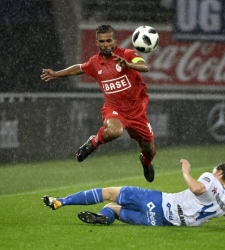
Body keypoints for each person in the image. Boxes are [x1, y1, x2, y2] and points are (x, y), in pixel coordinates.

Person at [41, 24, 156, 182]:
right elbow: (79, 68)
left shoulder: (128, 54)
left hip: (137, 112)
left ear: (115, 41)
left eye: (109, 40)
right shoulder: (95, 62)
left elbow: (144, 66)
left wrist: (129, 65)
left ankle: (146, 162)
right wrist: (56, 74)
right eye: (102, 41)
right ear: (96, 43)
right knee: (115, 131)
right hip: (114, 109)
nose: (106, 44)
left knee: (149, 149)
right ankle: (94, 142)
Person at [42, 159, 225, 227]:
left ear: (220, 172)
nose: (213, 171)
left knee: (108, 192)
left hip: (159, 202)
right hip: (161, 222)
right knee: (112, 209)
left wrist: (186, 170)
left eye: (215, 169)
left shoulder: (211, 179)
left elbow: (196, 188)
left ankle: (62, 201)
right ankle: (104, 218)